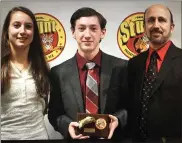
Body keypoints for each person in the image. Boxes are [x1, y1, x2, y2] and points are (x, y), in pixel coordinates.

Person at [48, 7, 128, 140]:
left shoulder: (122, 67)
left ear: (103, 32)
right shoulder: (58, 72)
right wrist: (67, 126)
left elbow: (130, 107)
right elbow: (54, 113)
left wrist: (118, 120)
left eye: (93, 28)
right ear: (73, 32)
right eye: (81, 28)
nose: (87, 34)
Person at [127, 4, 182, 142]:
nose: (156, 25)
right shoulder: (134, 63)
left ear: (172, 27)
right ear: (144, 27)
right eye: (150, 20)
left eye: (162, 20)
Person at [1, 6, 50, 140]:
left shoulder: (43, 68)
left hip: (39, 137)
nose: (22, 31)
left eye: (28, 26)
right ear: (7, 31)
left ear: (33, 33)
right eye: (16, 25)